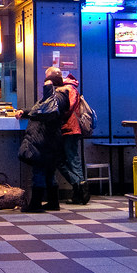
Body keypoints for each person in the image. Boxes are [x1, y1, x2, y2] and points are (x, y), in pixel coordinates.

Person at [16, 66, 71, 212]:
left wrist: (48, 87)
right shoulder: (57, 96)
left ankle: (35, 204)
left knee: (39, 170)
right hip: (49, 139)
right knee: (49, 171)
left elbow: (47, 110)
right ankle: (53, 202)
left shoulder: (57, 96)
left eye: (47, 78)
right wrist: (24, 112)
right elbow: (40, 109)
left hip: (45, 138)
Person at [59, 71, 90, 205]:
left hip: (70, 129)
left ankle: (81, 189)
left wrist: (57, 114)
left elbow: (69, 108)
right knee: (69, 160)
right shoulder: (69, 88)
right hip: (69, 129)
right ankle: (79, 189)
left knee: (72, 160)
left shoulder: (69, 89)